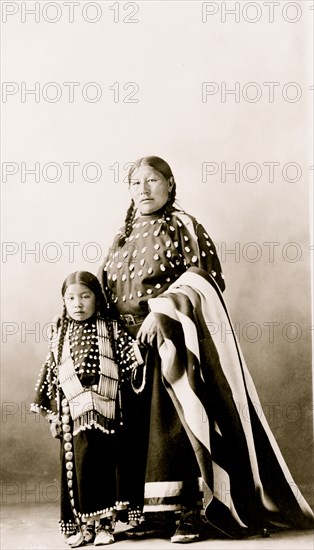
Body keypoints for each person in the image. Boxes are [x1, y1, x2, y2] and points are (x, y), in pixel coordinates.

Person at [98, 156, 314, 544]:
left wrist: (162, 310)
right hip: (129, 345)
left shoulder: (184, 226)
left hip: (176, 340)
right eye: (135, 183)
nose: (144, 189)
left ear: (169, 184)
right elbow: (105, 293)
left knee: (178, 426)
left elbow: (205, 279)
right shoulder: (120, 237)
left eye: (152, 181)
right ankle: (154, 515)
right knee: (137, 434)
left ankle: (191, 513)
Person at [31, 271, 143, 547]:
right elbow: (51, 374)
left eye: (85, 296)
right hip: (72, 413)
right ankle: (84, 526)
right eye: (70, 298)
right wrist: (52, 414)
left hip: (107, 410)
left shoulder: (112, 328)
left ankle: (105, 525)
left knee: (107, 465)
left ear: (97, 298)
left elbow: (135, 364)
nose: (77, 303)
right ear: (63, 301)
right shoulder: (60, 333)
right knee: (78, 466)